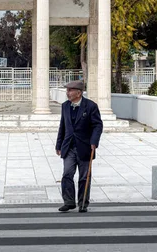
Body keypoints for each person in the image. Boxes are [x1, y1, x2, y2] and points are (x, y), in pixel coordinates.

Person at [55, 80, 103, 213]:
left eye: (70, 90)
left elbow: (97, 125)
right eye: (67, 90)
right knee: (67, 174)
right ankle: (69, 202)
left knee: (84, 177)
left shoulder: (91, 106)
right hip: (69, 147)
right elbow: (62, 126)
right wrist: (58, 144)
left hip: (85, 147)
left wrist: (94, 141)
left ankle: (83, 203)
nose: (67, 93)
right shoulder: (65, 106)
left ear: (79, 92)